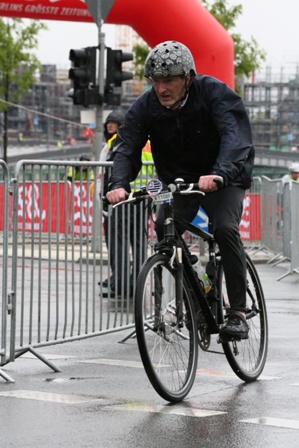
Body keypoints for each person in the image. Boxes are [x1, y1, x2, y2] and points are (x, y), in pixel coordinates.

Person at [106, 40, 255, 341]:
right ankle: (195, 286)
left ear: (187, 78)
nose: (161, 88)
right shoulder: (147, 105)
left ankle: (238, 312)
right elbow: (126, 147)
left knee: (225, 229)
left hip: (223, 175)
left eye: (169, 80)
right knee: (164, 226)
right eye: (156, 81)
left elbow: (233, 134)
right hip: (177, 181)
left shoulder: (213, 92)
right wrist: (119, 184)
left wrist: (220, 173)